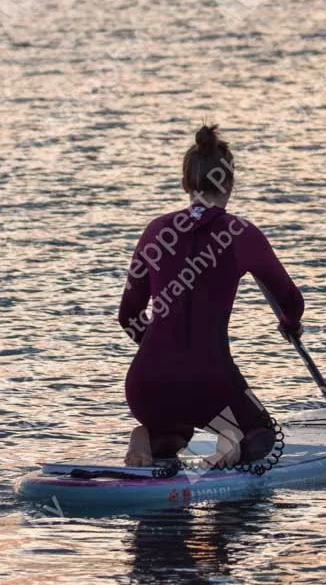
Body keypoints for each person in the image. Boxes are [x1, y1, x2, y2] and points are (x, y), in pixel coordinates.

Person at [118, 125, 304, 467]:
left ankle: (148, 438)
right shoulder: (241, 233)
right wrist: (290, 324)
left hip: (146, 384)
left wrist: (161, 348)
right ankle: (231, 444)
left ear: (185, 183)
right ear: (229, 183)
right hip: (209, 382)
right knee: (262, 434)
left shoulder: (156, 230)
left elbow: (128, 315)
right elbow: (290, 300)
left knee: (175, 429)